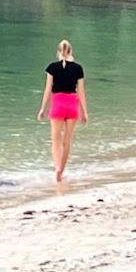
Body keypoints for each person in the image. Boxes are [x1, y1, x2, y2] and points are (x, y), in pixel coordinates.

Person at [37, 39, 88, 183]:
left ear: (58, 52)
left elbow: (47, 90)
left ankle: (57, 168)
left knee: (55, 141)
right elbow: (81, 92)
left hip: (58, 105)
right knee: (67, 141)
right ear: (71, 51)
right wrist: (85, 112)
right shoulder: (78, 68)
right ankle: (62, 170)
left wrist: (42, 109)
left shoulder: (52, 68)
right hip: (72, 105)